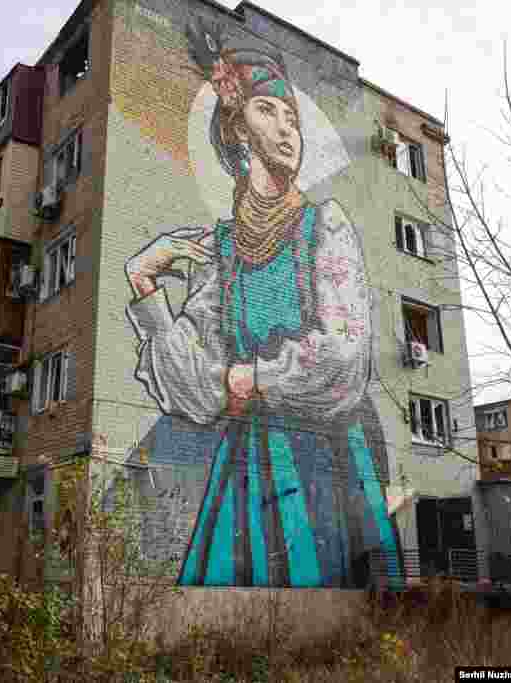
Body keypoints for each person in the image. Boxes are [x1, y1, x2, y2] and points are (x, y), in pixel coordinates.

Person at [123, 21, 396, 588]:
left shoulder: (326, 225)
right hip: (246, 468)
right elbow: (195, 389)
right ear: (236, 130)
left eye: (292, 117)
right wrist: (145, 285)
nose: (287, 129)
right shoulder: (220, 252)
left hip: (328, 460)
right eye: (268, 112)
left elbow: (345, 358)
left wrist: (247, 378)